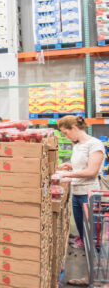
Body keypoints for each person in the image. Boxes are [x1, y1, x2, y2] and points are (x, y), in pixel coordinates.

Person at [56, 116, 105, 286]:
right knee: (84, 237)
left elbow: (91, 171)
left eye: (65, 132)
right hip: (77, 194)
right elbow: (79, 166)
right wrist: (68, 165)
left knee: (93, 237)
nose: (65, 136)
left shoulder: (95, 145)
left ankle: (97, 277)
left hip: (89, 195)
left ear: (74, 128)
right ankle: (89, 275)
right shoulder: (77, 146)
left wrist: (67, 175)